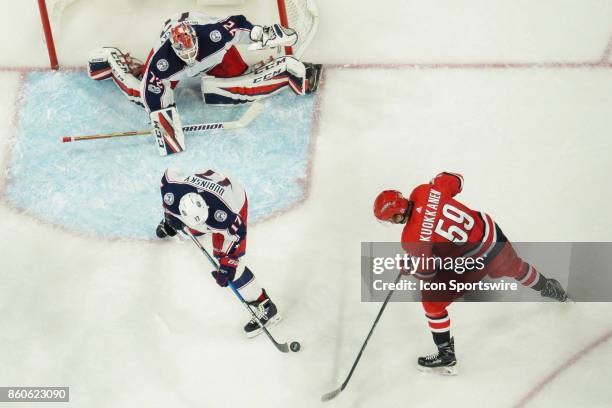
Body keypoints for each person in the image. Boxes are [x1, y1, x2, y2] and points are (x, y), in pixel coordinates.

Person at [373, 172, 568, 375]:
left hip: (474, 260)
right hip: (491, 235)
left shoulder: (411, 237)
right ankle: (551, 288)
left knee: (431, 302)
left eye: (390, 220)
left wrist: (412, 265)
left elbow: (427, 274)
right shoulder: (423, 190)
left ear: (396, 215)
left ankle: (446, 355)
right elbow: (457, 181)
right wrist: (436, 189)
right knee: (516, 267)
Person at [87, 11, 322, 155]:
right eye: (183, 50)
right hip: (175, 71)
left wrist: (260, 32)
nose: (189, 55)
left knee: (233, 92)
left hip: (213, 58)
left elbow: (237, 24)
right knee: (139, 95)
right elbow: (152, 92)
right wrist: (163, 122)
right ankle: (110, 63)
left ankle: (286, 71)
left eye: (191, 47)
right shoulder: (163, 60)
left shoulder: (213, 35)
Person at [157, 167, 281, 337]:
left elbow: (237, 235)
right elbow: (169, 173)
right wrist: (170, 216)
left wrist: (227, 266)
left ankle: (266, 306)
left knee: (229, 263)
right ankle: (173, 225)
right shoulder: (172, 191)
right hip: (202, 189)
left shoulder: (225, 216)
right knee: (186, 225)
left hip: (233, 199)